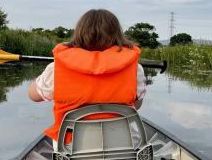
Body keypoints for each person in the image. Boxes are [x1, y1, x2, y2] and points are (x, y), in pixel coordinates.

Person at [27, 9, 146, 145]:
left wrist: (41, 77)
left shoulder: (56, 69)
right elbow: (137, 105)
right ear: (117, 34)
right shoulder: (135, 69)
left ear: (79, 33)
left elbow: (33, 96)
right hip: (125, 148)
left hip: (70, 152)